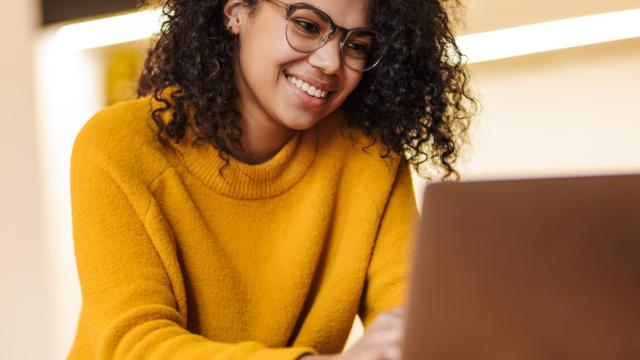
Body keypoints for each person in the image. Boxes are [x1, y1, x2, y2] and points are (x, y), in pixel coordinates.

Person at [67, 0, 474, 358]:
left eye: (357, 45)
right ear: (236, 12)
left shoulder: (370, 157)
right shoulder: (118, 146)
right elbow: (133, 345)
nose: (331, 62)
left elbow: (408, 317)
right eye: (308, 25)